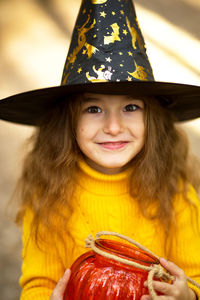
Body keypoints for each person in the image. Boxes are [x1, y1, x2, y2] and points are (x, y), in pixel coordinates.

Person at [0, 0, 200, 299]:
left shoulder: (175, 195)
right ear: (67, 120)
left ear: (153, 120)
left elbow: (194, 278)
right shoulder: (50, 198)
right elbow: (38, 283)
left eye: (131, 107)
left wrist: (186, 295)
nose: (114, 126)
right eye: (93, 108)